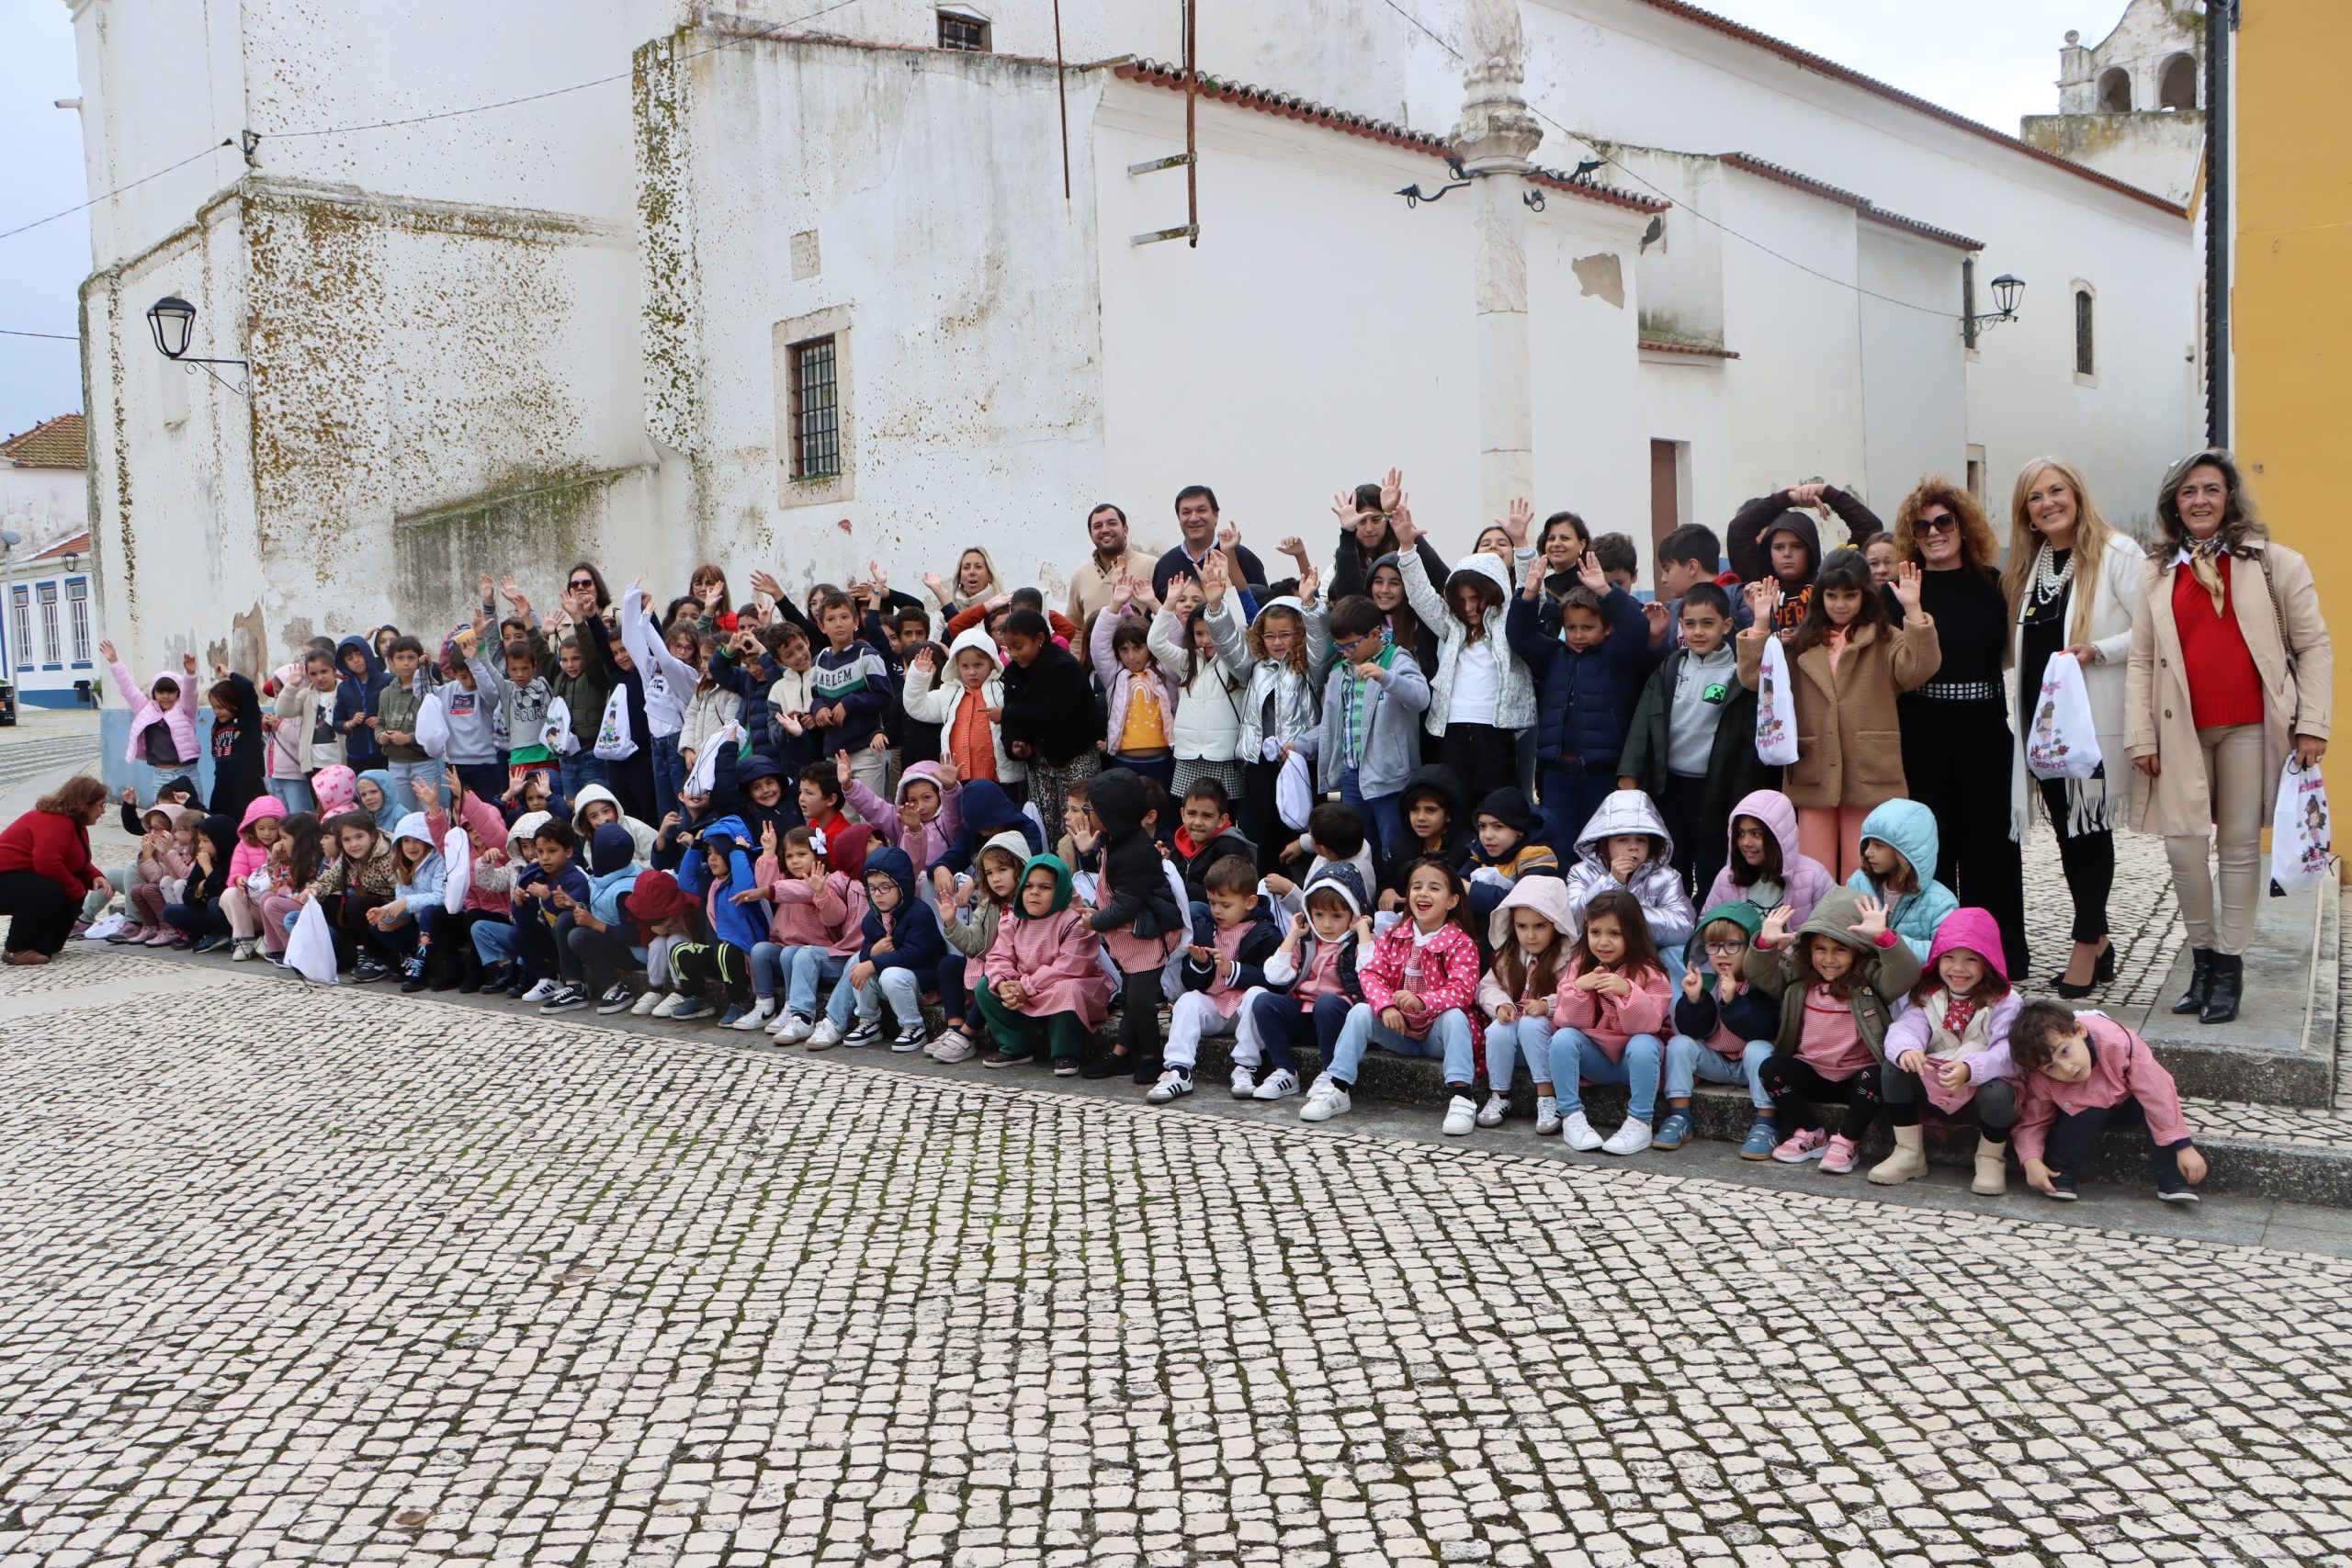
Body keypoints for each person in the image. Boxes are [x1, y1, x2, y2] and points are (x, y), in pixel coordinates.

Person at [2126, 447, 2332, 1028]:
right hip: (2180, 730)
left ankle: (2231, 969)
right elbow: (2142, 659)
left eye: (2211, 489)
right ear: (2174, 503)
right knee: (2184, 846)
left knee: (2240, 847)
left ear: (2230, 497)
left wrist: (2312, 724)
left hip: (2250, 725)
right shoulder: (2157, 571)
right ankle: (2203, 959)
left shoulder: (2276, 564)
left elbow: (2314, 645)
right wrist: (2141, 735)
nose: (2200, 500)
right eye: (2188, 491)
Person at [2002, 457, 2144, 997]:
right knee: (2067, 834)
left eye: (2056, 490)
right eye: (2035, 498)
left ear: (2077, 493)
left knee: (2090, 832)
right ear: (2027, 514)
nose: (2047, 503)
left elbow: (2151, 632)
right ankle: (2101, 940)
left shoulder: (2116, 554)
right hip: (2045, 728)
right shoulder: (2031, 564)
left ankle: (2085, 942)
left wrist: (2099, 651)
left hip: (2091, 722)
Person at [1888, 478, 2029, 983]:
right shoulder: (1902, 592)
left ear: (1963, 526)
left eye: (1943, 521)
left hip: (1986, 733)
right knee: (1932, 851)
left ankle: (1998, 954)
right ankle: (1937, 956)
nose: (1933, 532)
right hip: (1923, 735)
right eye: (1921, 526)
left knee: (1991, 849)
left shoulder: (1994, 585)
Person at [1736, 548, 1939, 881]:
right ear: (1820, 597)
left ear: (1865, 595)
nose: (1840, 604)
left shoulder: (1885, 638)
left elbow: (1919, 668)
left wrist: (1914, 611)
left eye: (1850, 595)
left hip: (1869, 769)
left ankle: (1860, 931)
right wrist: (1760, 621)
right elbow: (1754, 679)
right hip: (1813, 769)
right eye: (1831, 595)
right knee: (1812, 869)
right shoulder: (1799, 641)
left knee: (1862, 870)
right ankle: (1816, 932)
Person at [1304, 854, 1485, 1131]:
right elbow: (1371, 973)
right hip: (1400, 1029)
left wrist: (1422, 1001)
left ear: (1452, 901)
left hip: (1437, 1035)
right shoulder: (1394, 934)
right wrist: (1386, 1006)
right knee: (1362, 1011)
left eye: (1434, 888)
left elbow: (1462, 991)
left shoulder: (1462, 943)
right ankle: (1338, 1086)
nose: (1423, 893)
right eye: (1416, 886)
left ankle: (1462, 1098)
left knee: (1456, 1017)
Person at [1746, 888, 1917, 1175]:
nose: (1829, 959)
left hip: (1857, 1075)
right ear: (1808, 950)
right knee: (1771, 1068)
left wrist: (1883, 938)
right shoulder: (1798, 979)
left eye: (1840, 950)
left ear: (1857, 951)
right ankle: (1812, 1133)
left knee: (1877, 1077)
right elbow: (1758, 972)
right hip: (1811, 1070)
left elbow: (1907, 973)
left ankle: (1847, 1141)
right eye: (1820, 949)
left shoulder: (1870, 980)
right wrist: (1764, 942)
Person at [1616, 580, 1766, 896]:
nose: (1699, 632)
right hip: (1669, 785)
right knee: (1674, 858)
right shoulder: (1671, 667)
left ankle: (1710, 922)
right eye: (1691, 624)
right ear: (1681, 625)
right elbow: (1644, 722)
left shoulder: (1738, 672)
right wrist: (1630, 777)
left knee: (1712, 859)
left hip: (1714, 788)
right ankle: (1676, 917)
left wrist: (1762, 619)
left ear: (1726, 626)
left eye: (1708, 624)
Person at [1509, 549, 1650, 856]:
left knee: (1601, 851)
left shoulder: (1616, 656)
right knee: (1559, 850)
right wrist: (1528, 594)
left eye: (1588, 628)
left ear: (1607, 628)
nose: (1578, 635)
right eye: (1571, 627)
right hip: (1558, 774)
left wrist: (1604, 591)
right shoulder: (1554, 657)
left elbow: (1638, 628)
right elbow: (1519, 636)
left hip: (1602, 774)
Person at [1870, 908, 2019, 1193]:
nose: (1958, 969)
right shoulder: (1928, 993)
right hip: (1934, 1080)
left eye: (1971, 960)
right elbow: (1907, 1027)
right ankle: (1908, 1153)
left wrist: (1971, 1069)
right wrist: (1907, 1050)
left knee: (1998, 1092)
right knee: (1894, 1067)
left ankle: (1990, 1158)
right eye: (1949, 957)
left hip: (1978, 1089)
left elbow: (2009, 1052)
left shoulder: (2007, 1002)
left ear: (1988, 963)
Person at [1394, 509, 1532, 805]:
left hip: (1496, 730)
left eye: (1477, 599)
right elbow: (1421, 597)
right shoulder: (1451, 626)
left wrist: (1521, 544)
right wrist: (1407, 548)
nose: (1469, 607)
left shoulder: (1509, 620)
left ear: (1494, 593)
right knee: (1454, 806)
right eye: (1462, 600)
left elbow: (1529, 591)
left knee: (1496, 807)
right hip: (1451, 728)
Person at [1201, 550, 1327, 872]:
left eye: (1285, 635)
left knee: (1296, 831)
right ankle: (1263, 889)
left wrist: (1310, 606)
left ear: (1298, 634)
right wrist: (1215, 607)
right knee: (1260, 834)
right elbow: (1229, 645)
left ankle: (1298, 890)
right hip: (1259, 763)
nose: (1277, 642)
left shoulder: (1309, 666)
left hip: (1297, 761)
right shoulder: (1256, 666)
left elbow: (1320, 641)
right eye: (1270, 636)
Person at [2010, 1001, 2205, 1204]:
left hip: (2130, 1103)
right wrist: (2031, 1160)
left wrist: (2183, 1146)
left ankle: (2171, 1176)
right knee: (2087, 1111)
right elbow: (2033, 1118)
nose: (2066, 1068)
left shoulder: (2116, 1041)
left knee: (2152, 1106)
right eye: (2051, 1067)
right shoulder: (2042, 1078)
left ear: (2080, 1030)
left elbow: (2157, 1091)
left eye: (2065, 1051)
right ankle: (2061, 1172)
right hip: (2080, 1112)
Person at [1544, 886, 1677, 1155]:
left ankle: (1640, 1121)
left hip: (1633, 1062)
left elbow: (1650, 1024)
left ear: (1633, 933)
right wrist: (1578, 989)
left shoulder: (1651, 971)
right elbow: (1568, 1021)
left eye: (1614, 933)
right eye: (1596, 932)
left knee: (1644, 1043)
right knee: (1563, 1038)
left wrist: (1627, 991)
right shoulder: (1579, 965)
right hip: (1596, 1058)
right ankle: (1572, 1116)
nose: (1603, 942)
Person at [1148, 855, 1283, 1103]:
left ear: (1250, 902)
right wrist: (1200, 965)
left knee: (1257, 997)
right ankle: (1179, 1070)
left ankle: (1246, 1066)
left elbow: (1273, 980)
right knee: (1187, 1001)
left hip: (1244, 1008)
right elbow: (1192, 983)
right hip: (1215, 1006)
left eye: (1226, 905)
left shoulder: (1265, 932)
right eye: (1212, 903)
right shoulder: (1204, 928)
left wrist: (1234, 970)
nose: (1217, 910)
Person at [1080, 768, 1185, 1082]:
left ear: (1112, 816)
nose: (1088, 815)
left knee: (1140, 1000)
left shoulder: (1135, 852)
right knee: (1132, 995)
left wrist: (1094, 920)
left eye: (1091, 810)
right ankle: (1122, 1052)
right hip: (1131, 934)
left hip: (1150, 933)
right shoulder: (1114, 839)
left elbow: (1128, 906)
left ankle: (1152, 1056)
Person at [1238, 863, 1370, 1104]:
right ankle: (1286, 1071)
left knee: (1328, 1002)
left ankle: (1330, 1071)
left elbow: (1370, 973)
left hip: (1338, 1018)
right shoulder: (1308, 941)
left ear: (1353, 914)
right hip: (1304, 1015)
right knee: (1263, 1000)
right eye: (1318, 915)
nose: (1327, 924)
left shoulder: (1359, 943)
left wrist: (1363, 933)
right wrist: (1292, 935)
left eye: (1337, 916)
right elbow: (1276, 976)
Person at [1317, 594, 1430, 862]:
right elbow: (1331, 726)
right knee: (1356, 848)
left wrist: (1386, 677)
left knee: (1393, 847)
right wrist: (1299, 745)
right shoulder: (1340, 672)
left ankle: (1394, 896)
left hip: (1389, 777)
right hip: (1351, 775)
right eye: (1340, 646)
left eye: (1352, 645)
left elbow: (1421, 697)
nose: (1346, 652)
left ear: (1375, 634)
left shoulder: (1397, 660)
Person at [1666, 902, 1781, 1160]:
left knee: (1760, 1049)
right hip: (1718, 1063)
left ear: (1750, 947)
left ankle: (1766, 1122)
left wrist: (1733, 1002)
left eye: (1732, 945)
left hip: (1752, 1065)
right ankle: (1679, 1116)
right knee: (1679, 1044)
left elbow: (1762, 1028)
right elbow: (1694, 1030)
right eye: (1713, 946)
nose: (1721, 954)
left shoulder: (1764, 982)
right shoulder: (1708, 981)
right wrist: (1694, 1000)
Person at [978, 853, 1112, 1075]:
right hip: (1024, 988)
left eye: (1045, 887)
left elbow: (1070, 966)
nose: (1034, 892)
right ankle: (1015, 1045)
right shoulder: (1014, 919)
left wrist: (1027, 987)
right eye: (1028, 886)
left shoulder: (1075, 922)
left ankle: (1065, 1052)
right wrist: (1005, 983)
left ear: (1060, 891)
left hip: (1060, 985)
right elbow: (998, 956)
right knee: (985, 986)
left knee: (1068, 990)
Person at [1476, 875, 1577, 1134]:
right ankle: (1500, 1094)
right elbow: (1488, 987)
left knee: (1532, 1024)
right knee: (1498, 1028)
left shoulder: (1570, 957)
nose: (1530, 935)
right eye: (1522, 926)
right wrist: (1501, 1005)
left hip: (1548, 1040)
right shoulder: (1508, 954)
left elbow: (1577, 993)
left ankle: (1547, 1097)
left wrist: (1547, 1005)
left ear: (1556, 924)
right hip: (1513, 1043)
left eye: (1540, 926)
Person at [997, 607, 1101, 847]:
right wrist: (1016, 745)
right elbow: (1013, 722)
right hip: (1040, 764)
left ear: (1040, 639)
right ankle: (1052, 878)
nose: (1013, 654)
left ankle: (1086, 875)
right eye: (1008, 648)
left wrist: (1008, 713)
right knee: (1046, 828)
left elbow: (1057, 713)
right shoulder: (1014, 673)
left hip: (1075, 758)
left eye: (1019, 646)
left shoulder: (1063, 667)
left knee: (1080, 824)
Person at [926, 829, 1029, 1063]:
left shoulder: (1030, 901)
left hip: (1014, 971)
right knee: (950, 965)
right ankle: (955, 1028)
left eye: (1003, 870)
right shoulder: (989, 901)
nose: (996, 878)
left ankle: (966, 1036)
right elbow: (974, 945)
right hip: (988, 964)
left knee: (988, 979)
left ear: (1020, 868)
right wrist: (951, 921)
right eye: (990, 872)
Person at [1560, 789, 1696, 954]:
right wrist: (1612, 881)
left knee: (1675, 953)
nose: (1633, 847)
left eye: (1641, 840)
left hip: (1646, 958)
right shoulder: (1581, 872)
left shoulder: (1667, 876)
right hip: (1596, 956)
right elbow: (1572, 920)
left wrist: (1628, 914)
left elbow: (1684, 927)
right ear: (1605, 841)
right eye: (1623, 839)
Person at [0, 776, 109, 963]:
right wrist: (76, 888)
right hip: (5, 878)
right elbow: (48, 864)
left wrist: (92, 875)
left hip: (17, 876)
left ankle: (44, 945)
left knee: (66, 887)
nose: (103, 811)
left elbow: (72, 858)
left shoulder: (74, 823)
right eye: (100, 805)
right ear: (84, 805)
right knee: (47, 890)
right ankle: (16, 949)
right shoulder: (56, 821)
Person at [903, 625, 1023, 791]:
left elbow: (1022, 709)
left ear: (992, 663)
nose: (972, 672)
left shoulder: (1003, 689)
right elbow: (917, 707)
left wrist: (1015, 665)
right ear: (955, 666)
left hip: (998, 777)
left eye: (978, 665)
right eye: (965, 666)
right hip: (958, 778)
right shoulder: (948, 693)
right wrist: (919, 677)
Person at [1703, 787, 1832, 936]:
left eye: (1756, 834)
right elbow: (1707, 929)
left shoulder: (1814, 876)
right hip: (1742, 959)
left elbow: (1832, 931)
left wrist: (1790, 946)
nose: (1746, 842)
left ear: (1779, 836)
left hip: (1796, 958)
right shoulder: (1727, 877)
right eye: (1740, 833)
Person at [1844, 799, 1956, 964]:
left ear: (1905, 852)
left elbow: (1947, 953)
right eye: (1867, 843)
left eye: (1879, 845)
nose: (1868, 852)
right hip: (1865, 983)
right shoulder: (1858, 882)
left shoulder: (1941, 902)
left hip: (1915, 987)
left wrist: (1888, 939)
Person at [1088, 596, 1181, 795]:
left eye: (1138, 648)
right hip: (1123, 761)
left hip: (1163, 760)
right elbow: (1098, 646)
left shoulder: (1165, 671)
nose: (1131, 656)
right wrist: (1114, 604)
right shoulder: (1115, 675)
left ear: (1151, 645)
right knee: (1128, 815)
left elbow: (1175, 639)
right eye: (1124, 649)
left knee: (1162, 814)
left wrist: (1154, 603)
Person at [1327, 472, 1449, 607]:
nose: (1369, 528)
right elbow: (1349, 605)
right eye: (1361, 521)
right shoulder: (1342, 561)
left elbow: (1444, 582)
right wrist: (1347, 534)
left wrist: (1395, 516)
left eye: (1376, 519)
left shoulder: (1404, 550)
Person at [102, 642, 202, 803]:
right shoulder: (145, 709)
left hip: (187, 772)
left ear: (178, 694)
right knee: (164, 816)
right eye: (160, 692)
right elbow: (128, 688)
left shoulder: (185, 710)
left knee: (194, 815)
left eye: (170, 692)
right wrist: (114, 662)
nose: (165, 696)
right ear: (154, 693)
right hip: (161, 774)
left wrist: (190, 674)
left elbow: (191, 693)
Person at [1153, 485, 1267, 601]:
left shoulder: (1242, 557)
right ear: (1179, 518)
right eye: (1186, 512)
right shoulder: (1165, 564)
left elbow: (1262, 610)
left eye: (1201, 510)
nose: (1193, 518)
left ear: (1216, 515)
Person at [1067, 502, 1153, 636]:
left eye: (1112, 523)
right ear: (1091, 535)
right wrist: (1078, 657)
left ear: (1125, 530)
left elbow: (1167, 616)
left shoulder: (1152, 566)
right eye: (1097, 526)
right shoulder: (1080, 575)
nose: (1105, 530)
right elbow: (1075, 628)